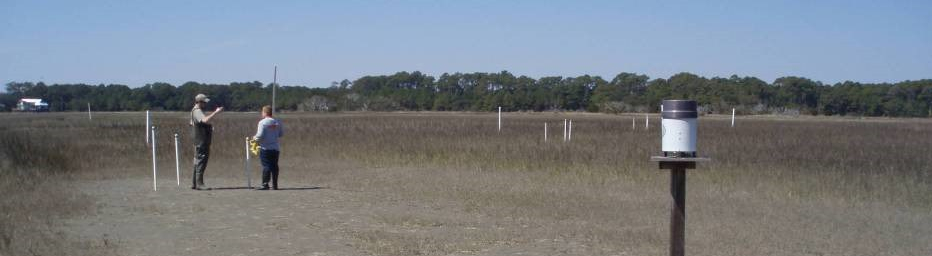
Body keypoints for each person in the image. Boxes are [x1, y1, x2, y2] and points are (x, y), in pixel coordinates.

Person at [190, 93, 223, 190]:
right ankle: (199, 183)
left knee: (197, 161)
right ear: (199, 102)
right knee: (201, 160)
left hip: (198, 139)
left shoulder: (194, 110)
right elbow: (205, 120)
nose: (205, 104)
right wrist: (216, 112)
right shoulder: (197, 111)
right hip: (201, 140)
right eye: (204, 102)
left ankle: (195, 183)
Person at [253, 105, 284, 190]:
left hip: (265, 148)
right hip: (275, 148)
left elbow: (260, 135)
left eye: (262, 112)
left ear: (265, 112)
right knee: (274, 166)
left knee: (266, 165)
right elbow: (281, 134)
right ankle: (275, 184)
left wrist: (254, 138)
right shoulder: (277, 122)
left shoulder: (262, 122)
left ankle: (265, 184)